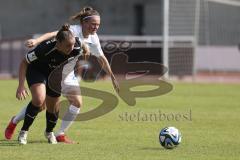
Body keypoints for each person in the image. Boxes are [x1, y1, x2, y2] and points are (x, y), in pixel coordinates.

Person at [5, 6, 120, 144]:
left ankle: (60, 134)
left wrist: (112, 77)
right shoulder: (73, 31)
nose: (96, 27)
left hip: (66, 74)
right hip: (48, 69)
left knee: (76, 103)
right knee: (40, 104)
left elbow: (101, 58)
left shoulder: (94, 39)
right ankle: (15, 121)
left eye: (98, 25)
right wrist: (37, 41)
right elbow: (53, 34)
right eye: (93, 24)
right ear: (84, 22)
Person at [5, 24, 89, 145]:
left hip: (54, 75)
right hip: (37, 71)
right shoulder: (44, 49)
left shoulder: (75, 45)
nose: (71, 48)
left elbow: (80, 44)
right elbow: (24, 63)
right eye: (67, 45)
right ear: (58, 43)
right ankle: (23, 131)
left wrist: (85, 48)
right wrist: (21, 86)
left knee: (53, 108)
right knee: (39, 100)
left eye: (72, 45)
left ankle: (49, 132)